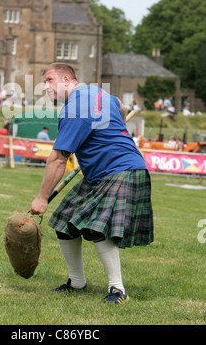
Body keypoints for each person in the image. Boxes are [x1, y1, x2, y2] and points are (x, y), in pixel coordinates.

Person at [31, 63, 153, 305]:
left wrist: (42, 198)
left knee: (96, 227)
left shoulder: (75, 109)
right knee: (64, 222)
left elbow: (57, 159)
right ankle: (77, 283)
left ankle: (118, 290)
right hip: (99, 173)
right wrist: (113, 125)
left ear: (67, 79)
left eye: (49, 80)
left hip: (122, 169)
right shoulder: (97, 92)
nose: (45, 87)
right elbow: (120, 104)